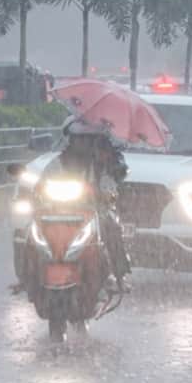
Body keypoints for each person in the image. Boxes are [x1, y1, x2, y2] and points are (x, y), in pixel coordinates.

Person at [50, 116, 132, 292]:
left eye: (87, 139)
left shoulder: (102, 163)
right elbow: (43, 184)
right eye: (78, 139)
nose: (81, 143)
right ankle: (28, 277)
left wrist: (105, 191)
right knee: (29, 232)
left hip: (94, 210)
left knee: (111, 225)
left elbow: (111, 183)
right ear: (69, 140)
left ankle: (118, 274)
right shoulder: (57, 163)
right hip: (57, 212)